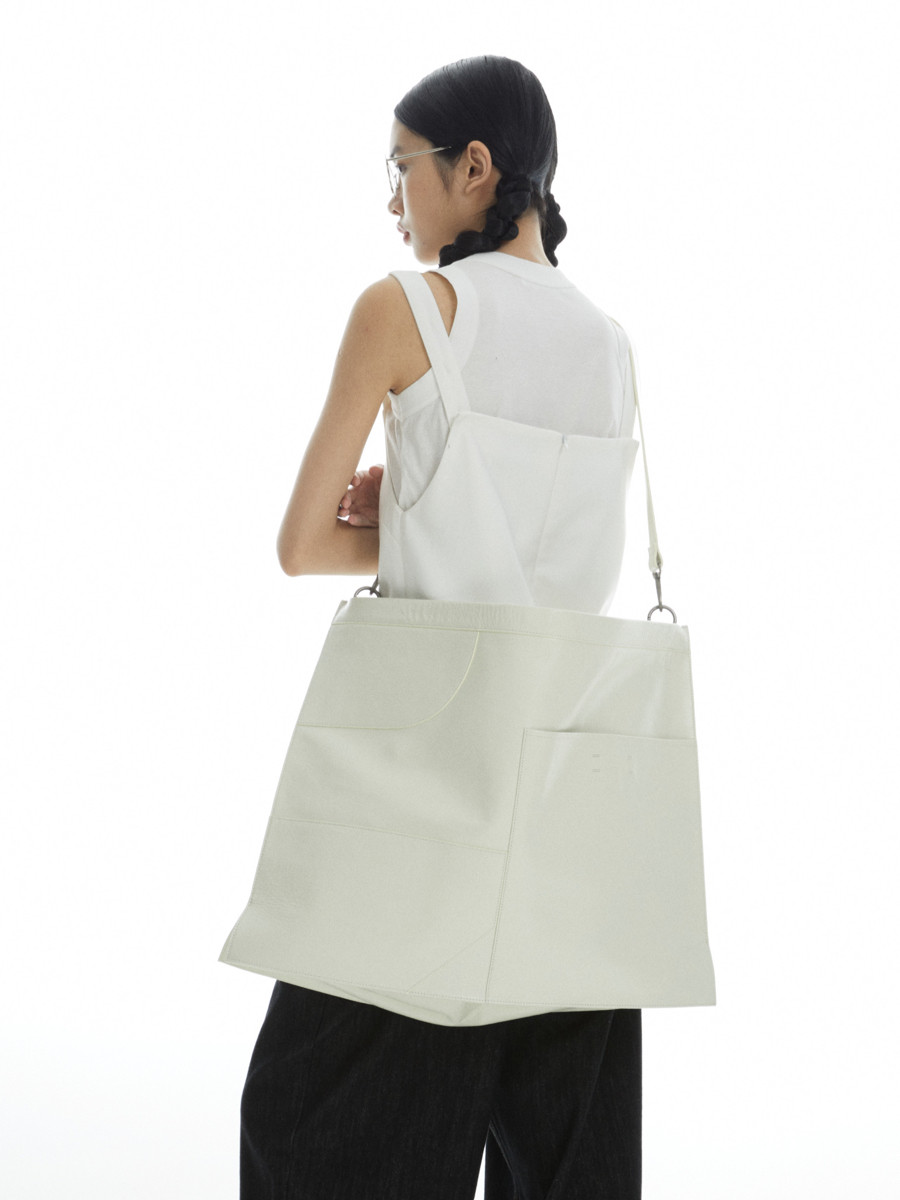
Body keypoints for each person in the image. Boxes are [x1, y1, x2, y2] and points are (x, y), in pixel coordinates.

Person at [238, 55, 643, 1199]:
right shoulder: (613, 345)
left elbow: (301, 544)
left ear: (474, 168)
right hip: (568, 806)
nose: (392, 200)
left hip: (416, 800)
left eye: (401, 168)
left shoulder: (407, 308)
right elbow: (544, 562)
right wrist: (422, 513)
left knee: (328, 1127)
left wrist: (398, 521)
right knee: (559, 1157)